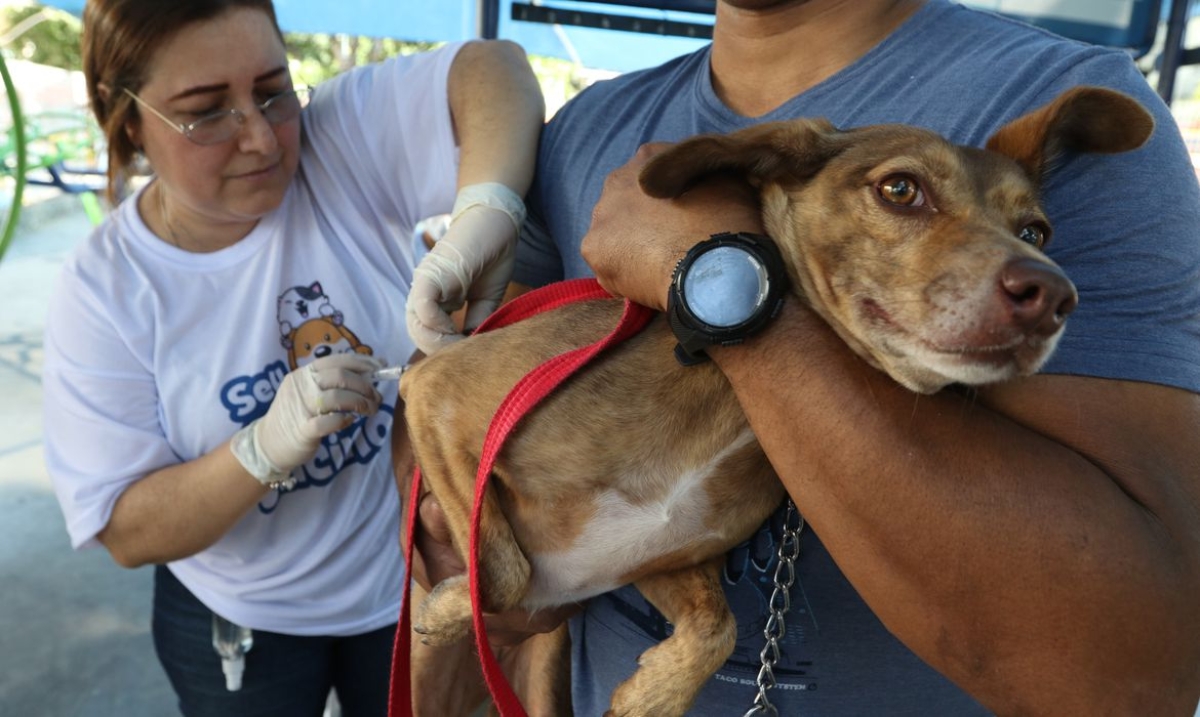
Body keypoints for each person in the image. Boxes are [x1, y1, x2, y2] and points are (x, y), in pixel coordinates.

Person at [407, 0, 1200, 714]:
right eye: (901, 193)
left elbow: (1137, 677)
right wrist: (464, 560)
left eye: (1031, 236)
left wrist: (720, 276)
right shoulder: (590, 129)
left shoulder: (1055, 94)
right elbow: (441, 444)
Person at [40, 1, 544, 715]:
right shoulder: (107, 288)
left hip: (406, 585)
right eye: (206, 111)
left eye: (274, 90)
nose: (262, 139)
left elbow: (494, 69)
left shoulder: (335, 141)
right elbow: (126, 525)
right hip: (242, 616)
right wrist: (261, 448)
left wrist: (486, 212)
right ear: (127, 118)